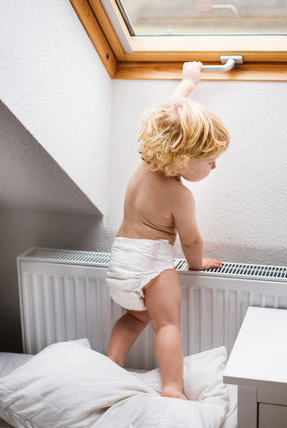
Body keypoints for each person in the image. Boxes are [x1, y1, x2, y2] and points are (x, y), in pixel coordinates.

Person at [105, 61, 228, 400]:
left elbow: (166, 114)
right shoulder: (179, 194)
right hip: (150, 263)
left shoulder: (147, 162)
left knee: (135, 316)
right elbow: (190, 239)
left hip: (119, 263)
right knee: (167, 324)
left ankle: (112, 363)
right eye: (209, 160)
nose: (214, 165)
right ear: (182, 160)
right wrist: (197, 262)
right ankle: (173, 386)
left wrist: (187, 83)